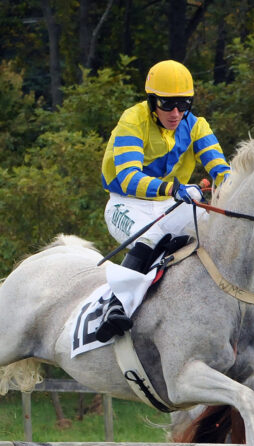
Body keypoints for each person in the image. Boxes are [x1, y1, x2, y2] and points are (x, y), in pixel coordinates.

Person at [95, 59, 232, 342]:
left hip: (172, 203)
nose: (176, 113)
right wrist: (173, 189)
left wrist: (233, 189)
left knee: (213, 232)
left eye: (183, 104)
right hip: (126, 202)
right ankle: (114, 306)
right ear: (152, 101)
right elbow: (128, 178)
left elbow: (221, 170)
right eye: (167, 104)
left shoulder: (197, 125)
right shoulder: (132, 121)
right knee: (152, 238)